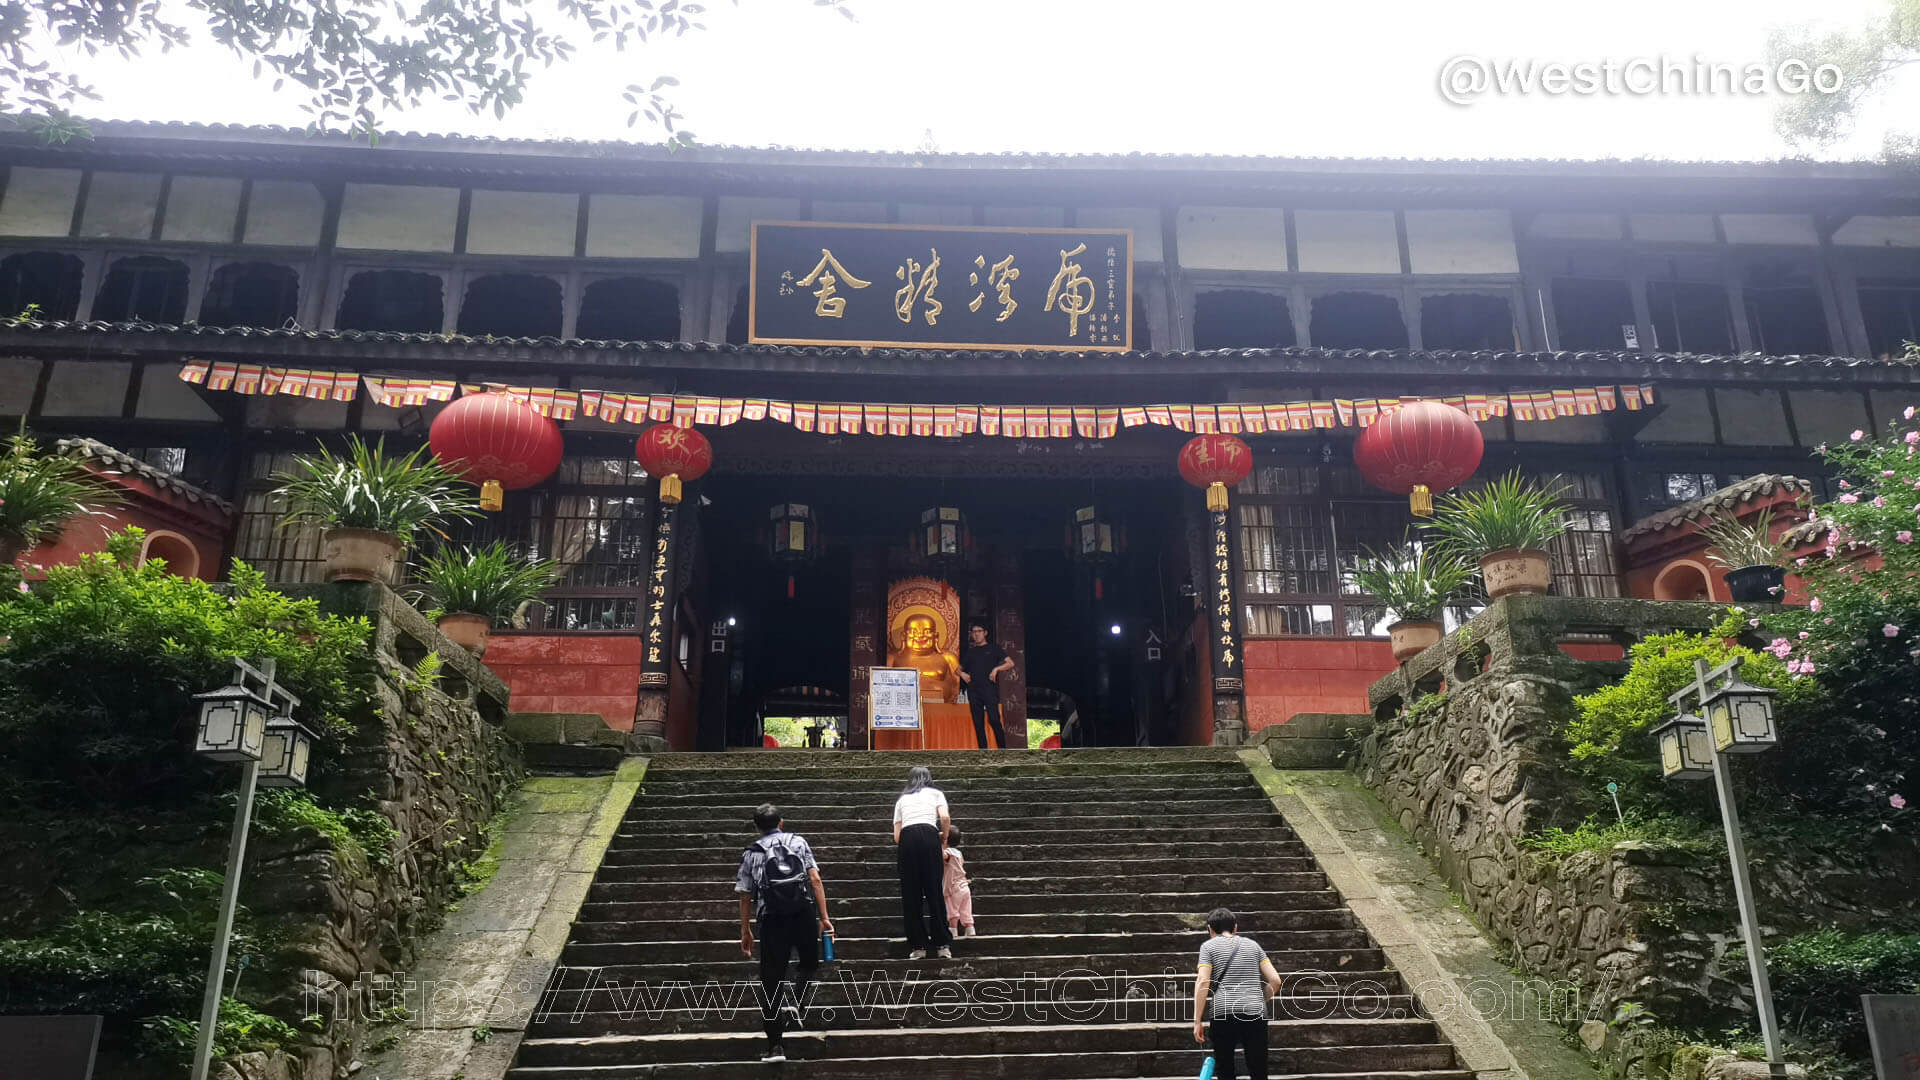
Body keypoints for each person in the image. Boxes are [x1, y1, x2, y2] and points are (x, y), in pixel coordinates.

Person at [736, 803, 835, 1063]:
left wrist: (746, 929)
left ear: (757, 827)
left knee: (771, 981)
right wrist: (824, 918)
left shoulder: (752, 852)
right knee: (809, 963)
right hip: (802, 914)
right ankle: (799, 1000)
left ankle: (775, 1046)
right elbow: (815, 879)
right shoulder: (799, 842)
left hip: (771, 919)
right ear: (781, 823)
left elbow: (746, 895)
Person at [1192, 907, 1284, 1080]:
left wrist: (1197, 1021)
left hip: (1223, 1013)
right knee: (1258, 1069)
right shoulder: (1253, 946)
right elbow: (1276, 981)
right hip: (1255, 1012)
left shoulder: (1208, 947)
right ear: (1235, 928)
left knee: (1225, 1069)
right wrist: (1258, 999)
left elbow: (1203, 981)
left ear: (1210, 929)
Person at [892, 765, 953, 959]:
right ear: (929, 778)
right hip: (929, 835)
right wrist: (943, 838)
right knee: (934, 891)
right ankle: (942, 944)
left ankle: (918, 946)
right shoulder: (936, 793)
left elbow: (896, 836)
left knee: (911, 894)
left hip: (908, 840)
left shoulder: (902, 799)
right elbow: (944, 817)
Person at [958, 621, 1015, 749]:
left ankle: (1002, 749)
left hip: (989, 688)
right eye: (974, 632)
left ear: (985, 633)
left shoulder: (994, 649)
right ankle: (983, 751)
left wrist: (996, 669)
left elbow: (1010, 663)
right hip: (973, 690)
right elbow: (957, 669)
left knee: (994, 719)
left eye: (979, 631)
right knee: (978, 722)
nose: (976, 634)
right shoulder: (971, 652)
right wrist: (962, 674)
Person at [943, 824, 975, 938]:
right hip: (964, 886)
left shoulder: (948, 853)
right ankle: (970, 928)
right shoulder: (958, 853)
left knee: (952, 910)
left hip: (953, 887)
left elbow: (942, 855)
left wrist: (938, 843)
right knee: (966, 908)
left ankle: (953, 929)